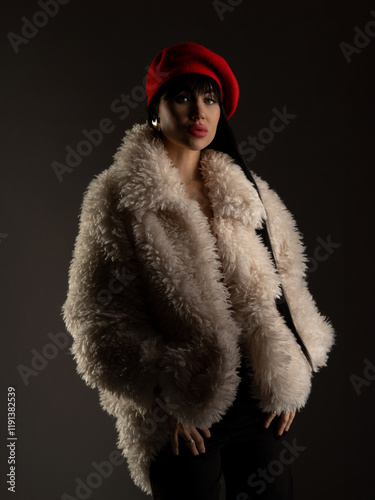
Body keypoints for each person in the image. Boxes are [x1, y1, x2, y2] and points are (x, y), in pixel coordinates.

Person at [62, 42, 335, 499]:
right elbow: (96, 316)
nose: (198, 111)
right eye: (182, 97)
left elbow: (288, 280)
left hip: (256, 402)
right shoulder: (119, 198)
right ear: (156, 109)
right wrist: (164, 396)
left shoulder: (248, 191)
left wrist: (292, 374)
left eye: (209, 99)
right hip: (182, 412)